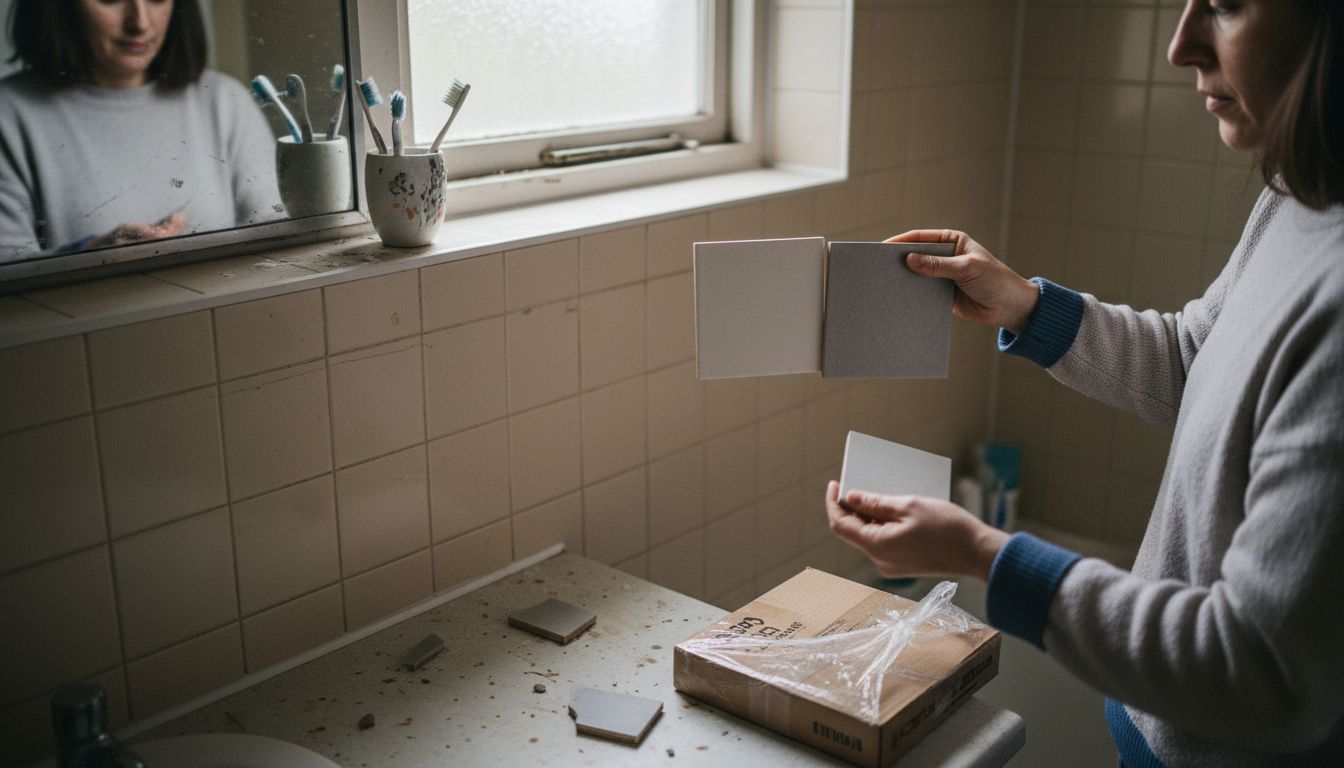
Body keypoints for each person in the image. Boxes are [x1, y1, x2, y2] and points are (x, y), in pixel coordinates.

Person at [825, 1, 1343, 765]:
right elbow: (1200, 362)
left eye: (1227, 4)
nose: (1179, 45)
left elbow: (1265, 672)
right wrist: (1027, 306)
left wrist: (986, 557)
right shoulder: (1297, 193)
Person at [0, 0, 281, 262]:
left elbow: (274, 231)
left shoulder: (225, 101)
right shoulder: (9, 114)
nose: (140, 23)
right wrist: (90, 253)